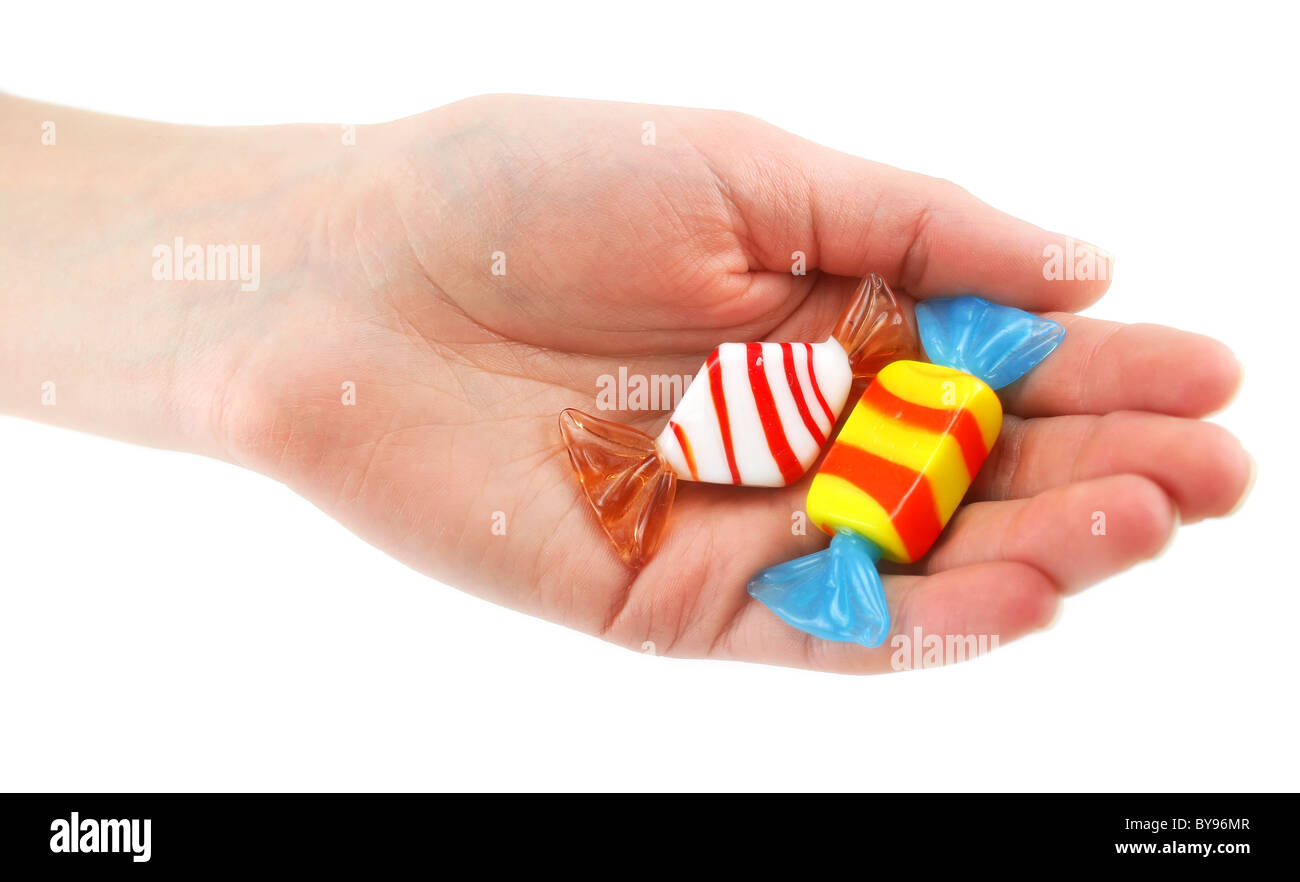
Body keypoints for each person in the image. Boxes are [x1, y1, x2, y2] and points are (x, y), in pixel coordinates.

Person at [0, 93, 1252, 672]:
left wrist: (325, 247)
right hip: (806, 436)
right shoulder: (844, 385)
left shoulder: (857, 395)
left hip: (819, 441)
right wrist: (341, 241)